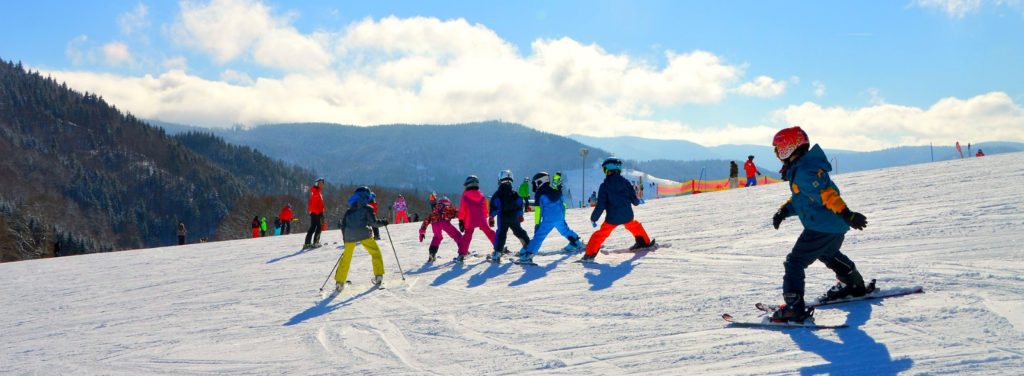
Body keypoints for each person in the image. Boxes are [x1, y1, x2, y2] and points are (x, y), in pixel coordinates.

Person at [769, 126, 872, 323]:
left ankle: (793, 307)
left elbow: (827, 195)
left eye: (778, 149)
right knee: (827, 253)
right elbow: (803, 199)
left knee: (795, 262)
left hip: (821, 227)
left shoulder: (804, 172)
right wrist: (784, 211)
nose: (777, 154)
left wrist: (847, 214)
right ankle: (853, 284)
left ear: (789, 148)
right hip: (835, 226)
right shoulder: (803, 168)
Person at [580, 158, 655, 263]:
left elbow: (601, 205)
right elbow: (634, 200)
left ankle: (589, 254)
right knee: (634, 226)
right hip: (627, 215)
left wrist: (594, 218)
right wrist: (638, 202)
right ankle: (644, 242)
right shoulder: (626, 183)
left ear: (607, 170)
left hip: (612, 218)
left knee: (600, 234)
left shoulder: (604, 186)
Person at [518, 172, 584, 263]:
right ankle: (576, 242)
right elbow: (563, 204)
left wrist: (537, 224)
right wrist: (562, 217)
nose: (534, 185)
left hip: (548, 220)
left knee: (539, 236)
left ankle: (529, 254)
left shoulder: (539, 194)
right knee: (565, 230)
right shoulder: (555, 190)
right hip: (559, 217)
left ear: (540, 182)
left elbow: (538, 211)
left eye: (535, 183)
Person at [334, 187, 389, 293]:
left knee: (346, 258)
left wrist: (346, 239)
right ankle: (378, 276)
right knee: (375, 253)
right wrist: (384, 222)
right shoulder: (368, 208)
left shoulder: (348, 211)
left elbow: (343, 226)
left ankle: (339, 283)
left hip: (349, 236)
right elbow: (374, 223)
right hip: (364, 234)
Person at [488, 170, 531, 262]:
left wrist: (491, 217)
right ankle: (528, 246)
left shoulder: (497, 194)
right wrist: (520, 215)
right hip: (513, 216)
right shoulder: (515, 194)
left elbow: (494, 206)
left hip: (502, 217)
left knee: (501, 234)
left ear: (499, 179)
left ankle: (497, 252)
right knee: (518, 231)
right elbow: (520, 205)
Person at [456, 175, 496, 262]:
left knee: (467, 236)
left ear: (467, 184)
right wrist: (484, 219)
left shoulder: (465, 195)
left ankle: (462, 254)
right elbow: (485, 210)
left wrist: (461, 221)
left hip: (469, 220)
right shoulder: (481, 195)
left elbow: (462, 209)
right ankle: (499, 247)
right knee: (489, 232)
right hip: (481, 219)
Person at [418, 196, 462, 263]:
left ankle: (432, 254)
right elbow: (457, 212)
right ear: (447, 203)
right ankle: (463, 251)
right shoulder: (448, 208)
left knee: (437, 237)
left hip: (435, 224)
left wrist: (422, 231)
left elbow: (426, 220)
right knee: (456, 235)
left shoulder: (435, 210)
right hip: (444, 222)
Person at [304, 178, 325, 248]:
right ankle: (316, 242)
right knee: (319, 227)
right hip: (316, 212)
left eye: (323, 183)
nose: (322, 185)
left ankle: (307, 243)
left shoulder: (316, 191)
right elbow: (314, 204)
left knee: (313, 227)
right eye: (320, 183)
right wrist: (319, 213)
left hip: (314, 212)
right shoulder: (316, 192)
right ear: (317, 184)